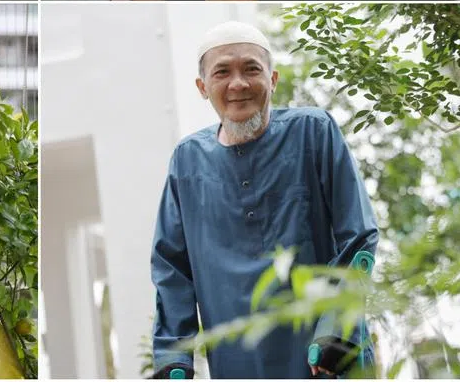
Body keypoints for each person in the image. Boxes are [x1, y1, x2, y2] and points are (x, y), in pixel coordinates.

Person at [151, 21, 378, 379]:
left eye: (251, 69)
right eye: (222, 72)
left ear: (272, 80)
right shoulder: (187, 161)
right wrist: (172, 361)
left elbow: (359, 237)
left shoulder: (314, 132)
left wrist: (336, 331)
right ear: (202, 87)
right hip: (236, 362)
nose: (238, 83)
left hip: (325, 358)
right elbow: (171, 269)